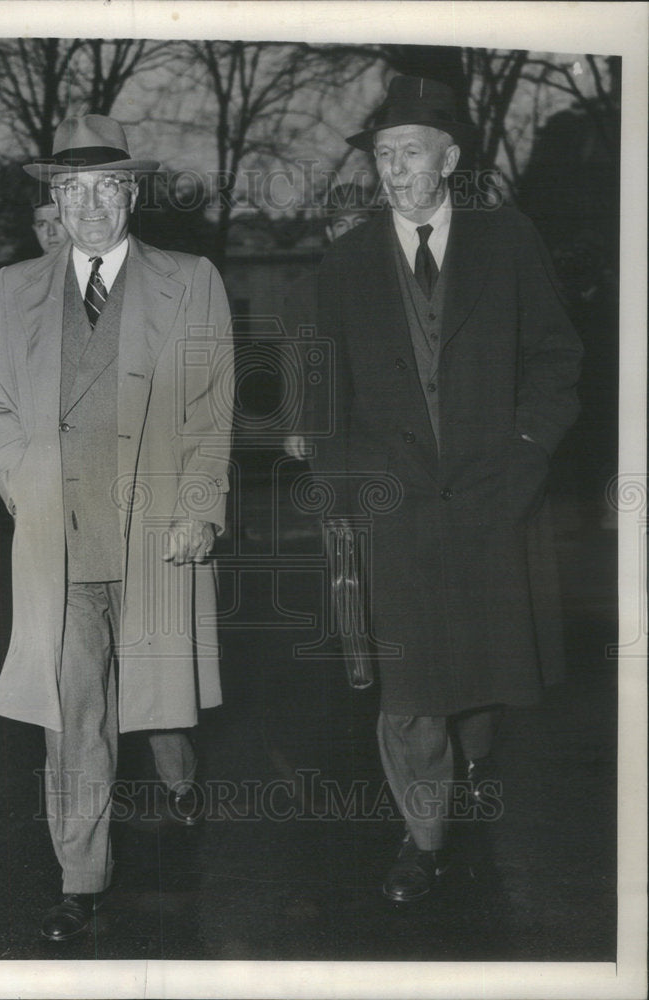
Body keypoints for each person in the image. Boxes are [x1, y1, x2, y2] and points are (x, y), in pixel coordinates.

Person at [312, 76, 583, 902]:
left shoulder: (509, 240)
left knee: (484, 675)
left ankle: (474, 761)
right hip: (392, 504)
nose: (394, 170)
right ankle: (423, 838)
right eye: (383, 156)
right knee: (410, 686)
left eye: (410, 153)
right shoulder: (346, 259)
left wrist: (529, 449)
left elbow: (556, 358)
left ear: (450, 159)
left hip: (495, 496)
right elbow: (324, 386)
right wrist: (342, 491)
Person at [0, 115, 233, 940]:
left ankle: (182, 781)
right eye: (71, 190)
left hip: (156, 537)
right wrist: (29, 485)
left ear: (131, 194)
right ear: (55, 198)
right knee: (72, 716)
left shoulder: (189, 280)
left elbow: (209, 407)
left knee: (161, 701)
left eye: (105, 188)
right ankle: (80, 879)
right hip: (64, 545)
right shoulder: (15, 288)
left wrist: (198, 505)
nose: (88, 207)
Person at [282, 181, 376, 462]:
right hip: (327, 426)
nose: (352, 232)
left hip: (391, 429)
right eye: (341, 225)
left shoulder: (400, 286)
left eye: (360, 222)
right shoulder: (305, 292)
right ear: (329, 233)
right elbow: (294, 363)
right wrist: (295, 426)